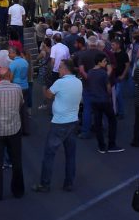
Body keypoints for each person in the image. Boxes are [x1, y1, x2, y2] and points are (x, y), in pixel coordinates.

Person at [34, 59, 82, 192]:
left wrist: (44, 88)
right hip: (73, 121)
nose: (58, 69)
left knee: (49, 154)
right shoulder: (78, 82)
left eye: (60, 67)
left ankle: (45, 184)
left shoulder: (60, 83)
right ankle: (69, 183)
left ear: (66, 69)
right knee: (71, 154)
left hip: (59, 123)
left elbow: (48, 95)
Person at [0, 67, 25, 199]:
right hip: (13, 129)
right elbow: (21, 103)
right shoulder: (17, 88)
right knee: (16, 161)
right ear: (10, 76)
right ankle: (18, 191)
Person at [86, 54, 122, 153]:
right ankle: (111, 144)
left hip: (94, 100)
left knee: (98, 123)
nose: (106, 63)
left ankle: (101, 146)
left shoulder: (90, 72)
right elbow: (108, 87)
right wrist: (108, 94)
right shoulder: (103, 73)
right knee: (112, 120)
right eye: (104, 61)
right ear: (99, 62)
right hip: (104, 100)